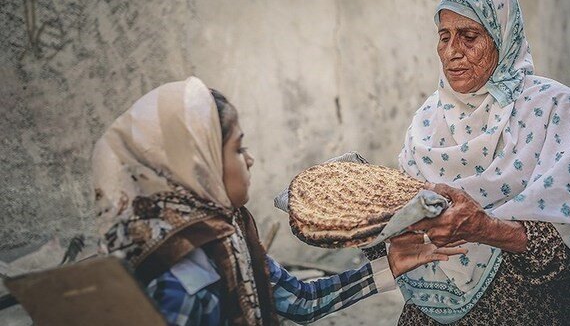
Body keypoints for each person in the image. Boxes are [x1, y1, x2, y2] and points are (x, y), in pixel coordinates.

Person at [364, 0, 570, 325]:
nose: (452, 51)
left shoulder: (553, 106)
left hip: (533, 310)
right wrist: (368, 222)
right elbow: (398, 238)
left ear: (502, 37)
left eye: (469, 35)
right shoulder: (428, 118)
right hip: (433, 313)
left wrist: (484, 228)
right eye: (444, 36)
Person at [92, 76, 466, 325]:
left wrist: (391, 265)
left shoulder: (224, 233)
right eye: (238, 149)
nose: (250, 159)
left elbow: (298, 300)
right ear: (199, 167)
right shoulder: (181, 277)